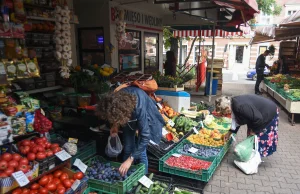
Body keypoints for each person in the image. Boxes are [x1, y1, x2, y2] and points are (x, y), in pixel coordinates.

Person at [96, 87, 165, 176]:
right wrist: (115, 125)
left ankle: (144, 177)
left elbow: (145, 136)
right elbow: (115, 113)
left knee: (141, 152)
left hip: (146, 117)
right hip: (128, 116)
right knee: (128, 147)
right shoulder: (116, 100)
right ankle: (126, 176)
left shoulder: (138, 107)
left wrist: (130, 159)